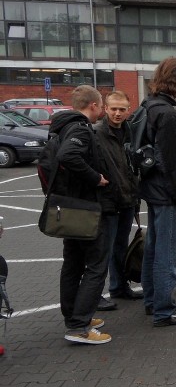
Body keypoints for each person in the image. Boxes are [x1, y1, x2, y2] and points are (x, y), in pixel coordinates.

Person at [139, 56, 176, 327]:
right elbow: (175, 163)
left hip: (152, 190)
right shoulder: (167, 114)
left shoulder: (147, 107)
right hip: (167, 194)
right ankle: (164, 309)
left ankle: (152, 301)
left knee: (152, 249)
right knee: (166, 253)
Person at [51, 85, 112, 344]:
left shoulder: (61, 126)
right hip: (84, 207)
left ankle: (73, 316)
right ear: (94, 105)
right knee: (96, 265)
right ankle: (80, 325)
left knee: (73, 263)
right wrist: (95, 177)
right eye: (101, 106)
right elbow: (69, 156)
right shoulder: (80, 129)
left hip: (67, 205)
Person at [94, 90, 141, 311]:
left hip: (128, 197)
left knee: (121, 246)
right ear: (105, 109)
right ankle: (95, 294)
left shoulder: (130, 131)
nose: (118, 113)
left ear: (128, 109)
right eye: (113, 109)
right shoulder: (97, 133)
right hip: (108, 200)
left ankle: (119, 286)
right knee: (103, 249)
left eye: (122, 109)